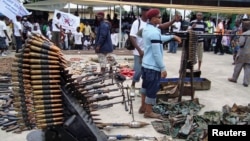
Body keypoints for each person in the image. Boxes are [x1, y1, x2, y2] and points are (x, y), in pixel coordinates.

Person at [129, 7, 181, 96]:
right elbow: (132, 37)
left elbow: (163, 27)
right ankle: (133, 86)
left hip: (148, 53)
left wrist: (173, 22)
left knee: (145, 75)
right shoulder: (137, 23)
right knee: (138, 71)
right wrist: (139, 50)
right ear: (144, 13)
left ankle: (143, 93)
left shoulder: (152, 25)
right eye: (159, 16)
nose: (160, 18)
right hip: (139, 51)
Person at [140, 8, 182, 119]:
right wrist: (163, 68)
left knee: (145, 86)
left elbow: (159, 38)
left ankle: (143, 106)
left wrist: (172, 37)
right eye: (159, 17)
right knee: (152, 89)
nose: (160, 19)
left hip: (145, 64)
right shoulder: (154, 32)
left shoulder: (148, 29)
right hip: (152, 67)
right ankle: (148, 111)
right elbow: (157, 53)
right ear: (153, 19)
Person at [228, 20, 250, 87]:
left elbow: (241, 43)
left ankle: (234, 78)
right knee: (247, 67)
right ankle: (246, 82)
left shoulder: (245, 34)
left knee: (238, 65)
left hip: (243, 52)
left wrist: (236, 42)